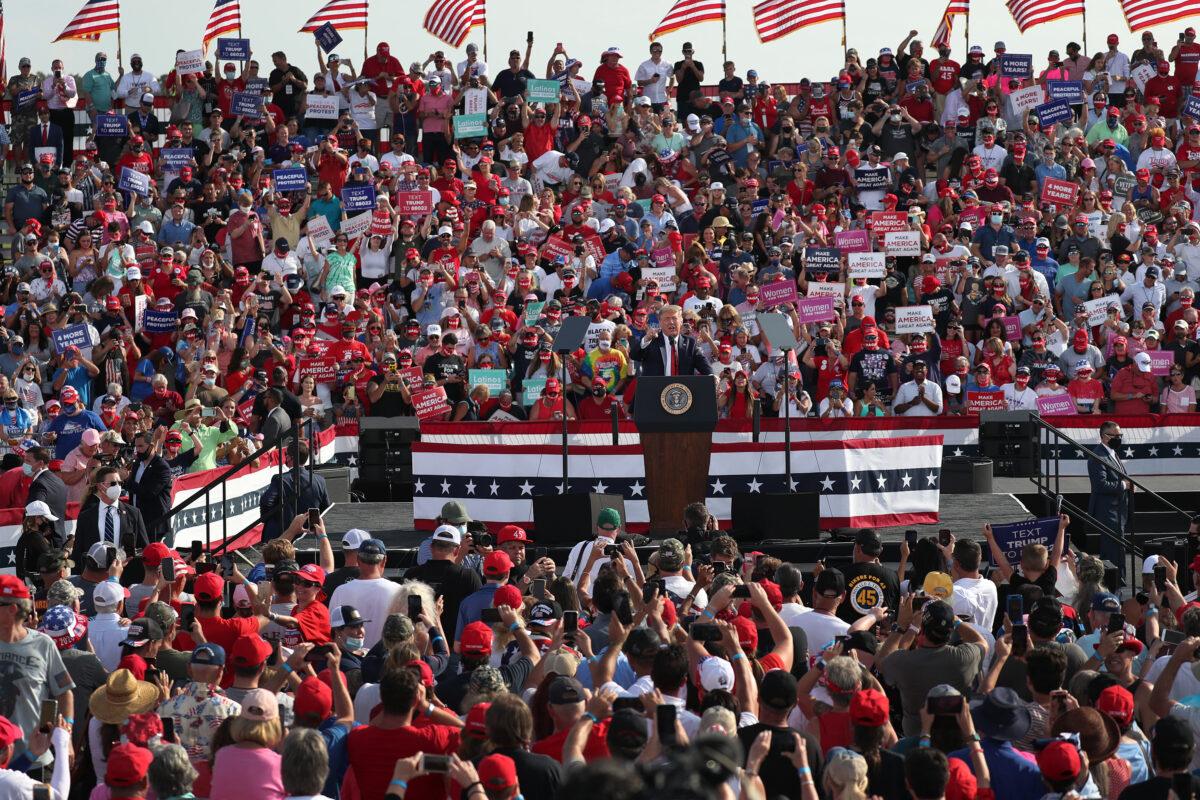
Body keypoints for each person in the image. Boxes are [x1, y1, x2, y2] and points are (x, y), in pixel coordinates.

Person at [327, 538, 400, 649]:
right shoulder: (397, 590)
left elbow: (332, 629)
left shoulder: (340, 591)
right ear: (384, 560)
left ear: (358, 560)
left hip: (350, 658)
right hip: (386, 661)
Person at [70, 466, 148, 566]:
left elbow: (144, 547)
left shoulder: (133, 513)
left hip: (126, 576)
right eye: (113, 483)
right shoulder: (86, 516)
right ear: (100, 486)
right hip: (95, 576)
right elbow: (78, 551)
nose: (118, 487)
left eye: (120, 483)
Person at [259, 440, 329, 543]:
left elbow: (266, 502)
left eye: (286, 454)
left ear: (289, 457)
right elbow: (325, 509)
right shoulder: (319, 480)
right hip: (309, 536)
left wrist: (271, 520)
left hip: (283, 536)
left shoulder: (280, 479)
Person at [1089, 420, 1132, 575]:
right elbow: (1100, 485)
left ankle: (1115, 581)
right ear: (1104, 436)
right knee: (1113, 551)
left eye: (1120, 435)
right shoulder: (1098, 455)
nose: (1118, 438)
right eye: (1115, 435)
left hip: (1118, 510)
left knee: (1117, 550)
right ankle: (1115, 583)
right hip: (1107, 511)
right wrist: (1123, 485)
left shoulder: (1112, 454)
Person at [628, 304, 713, 377]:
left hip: (682, 391)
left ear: (681, 321)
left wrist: (712, 376)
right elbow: (634, 355)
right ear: (660, 322)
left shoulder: (690, 343)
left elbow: (703, 364)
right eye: (666, 319)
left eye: (674, 318)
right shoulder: (651, 340)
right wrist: (646, 339)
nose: (671, 322)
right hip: (656, 390)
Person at [23, 447, 67, 547]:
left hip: (45, 545)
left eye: (28, 461)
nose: (24, 464)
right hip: (59, 539)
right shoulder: (58, 480)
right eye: (24, 460)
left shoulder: (39, 484)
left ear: (41, 463)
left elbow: (34, 513)